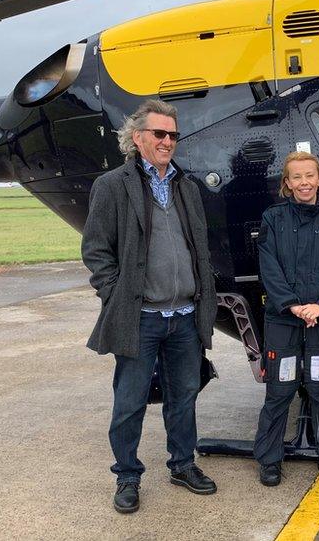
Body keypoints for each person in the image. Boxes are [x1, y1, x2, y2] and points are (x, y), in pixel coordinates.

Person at [82, 99, 218, 514]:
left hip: (185, 317)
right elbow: (96, 251)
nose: (167, 141)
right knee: (130, 402)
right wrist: (116, 294)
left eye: (173, 135)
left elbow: (199, 247)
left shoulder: (186, 186)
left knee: (185, 397)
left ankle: (182, 464)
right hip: (140, 319)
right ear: (137, 138)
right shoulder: (112, 185)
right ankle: (127, 475)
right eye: (159, 134)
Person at [253, 151, 319, 487]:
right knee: (279, 390)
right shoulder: (273, 218)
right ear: (287, 182)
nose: (304, 183)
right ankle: (269, 460)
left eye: (309, 176)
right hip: (284, 320)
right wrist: (293, 306)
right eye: (296, 177)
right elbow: (269, 267)